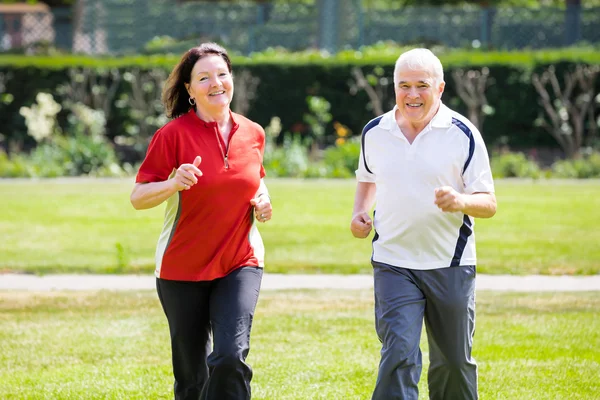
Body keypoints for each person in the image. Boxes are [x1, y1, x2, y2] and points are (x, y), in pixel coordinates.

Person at [350, 48, 496, 400]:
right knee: (398, 352)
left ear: (440, 88)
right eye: (404, 86)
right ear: (394, 88)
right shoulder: (376, 132)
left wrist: (460, 202)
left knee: (453, 363)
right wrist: (359, 212)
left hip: (450, 265)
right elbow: (368, 177)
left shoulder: (463, 133)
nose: (412, 95)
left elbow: (489, 203)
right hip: (393, 262)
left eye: (422, 85)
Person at [130, 42, 272, 400]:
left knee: (229, 357)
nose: (216, 83)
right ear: (190, 90)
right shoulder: (172, 135)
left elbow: (256, 178)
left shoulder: (253, 132)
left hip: (240, 261)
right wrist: (173, 182)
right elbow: (138, 196)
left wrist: (263, 199)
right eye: (204, 77)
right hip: (182, 266)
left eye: (222, 74)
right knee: (192, 378)